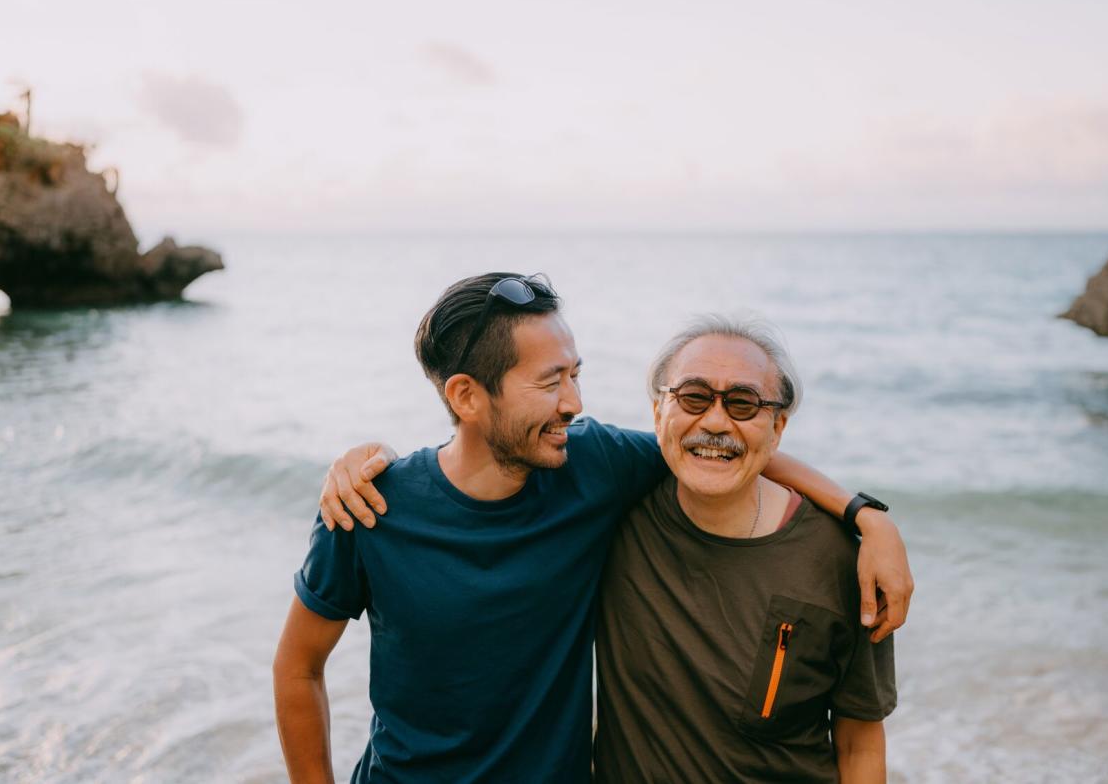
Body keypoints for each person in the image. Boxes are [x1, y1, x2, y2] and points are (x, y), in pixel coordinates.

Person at [274, 273, 912, 783]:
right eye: (552, 382)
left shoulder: (592, 465)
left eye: (576, 375)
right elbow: (299, 666)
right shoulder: (369, 507)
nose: (575, 403)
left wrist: (865, 515)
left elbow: (716, 441)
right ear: (467, 396)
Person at [592, 315, 894, 782]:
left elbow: (859, 743)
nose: (714, 421)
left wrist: (870, 521)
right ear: (657, 413)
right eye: (692, 397)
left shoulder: (843, 561)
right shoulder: (611, 512)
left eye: (743, 403)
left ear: (777, 428)